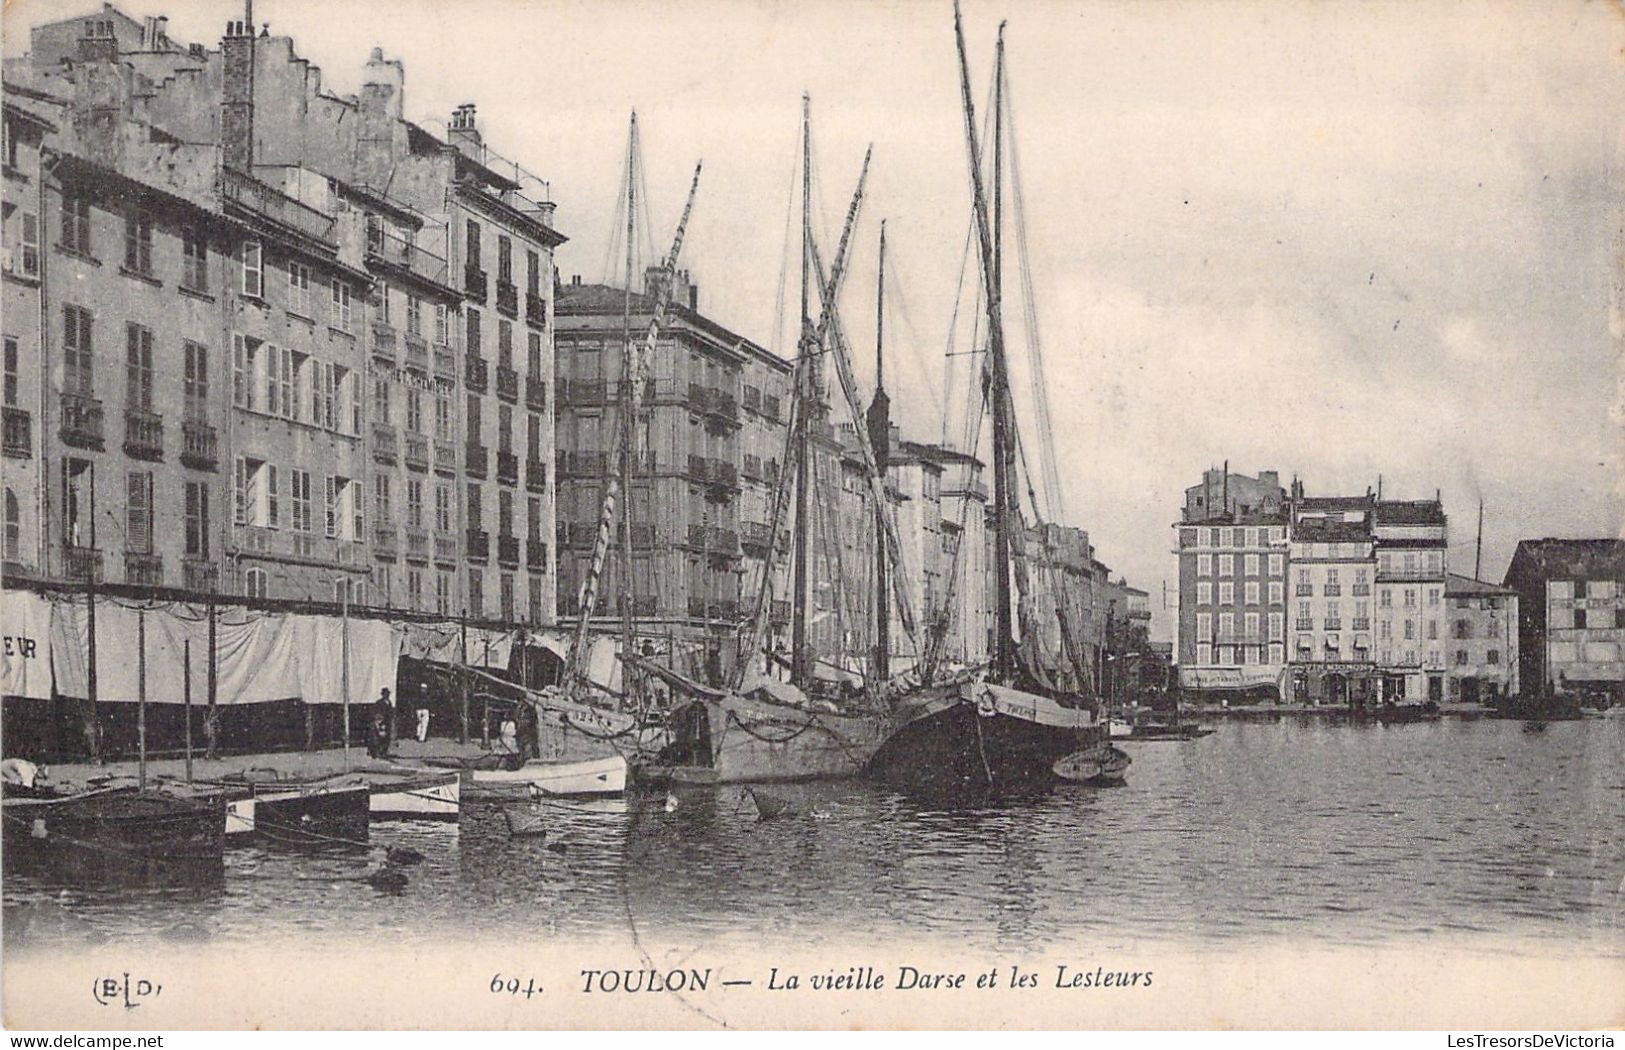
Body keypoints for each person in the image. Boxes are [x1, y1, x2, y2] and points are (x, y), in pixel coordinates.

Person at [369, 688, 393, 759]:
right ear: (383, 695)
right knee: (379, 737)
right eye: (385, 694)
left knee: (387, 738)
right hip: (381, 721)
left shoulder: (389, 702)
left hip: (387, 722)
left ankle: (384, 752)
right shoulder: (379, 702)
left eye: (388, 694)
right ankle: (377, 752)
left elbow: (390, 712)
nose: (387, 695)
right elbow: (376, 712)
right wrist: (378, 719)